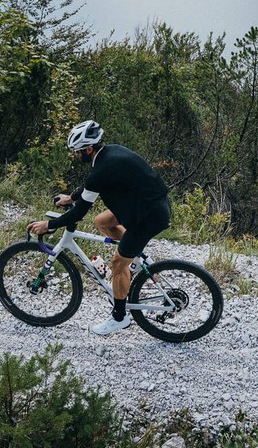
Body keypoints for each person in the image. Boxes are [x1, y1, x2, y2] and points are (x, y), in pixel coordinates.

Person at [27, 120, 172, 336]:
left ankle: (119, 317)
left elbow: (79, 212)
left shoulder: (101, 169)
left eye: (77, 152)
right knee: (102, 221)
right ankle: (134, 256)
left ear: (88, 149)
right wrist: (71, 197)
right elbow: (90, 186)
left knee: (117, 264)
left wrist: (49, 225)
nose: (76, 156)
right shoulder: (109, 154)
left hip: (148, 216)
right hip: (147, 206)